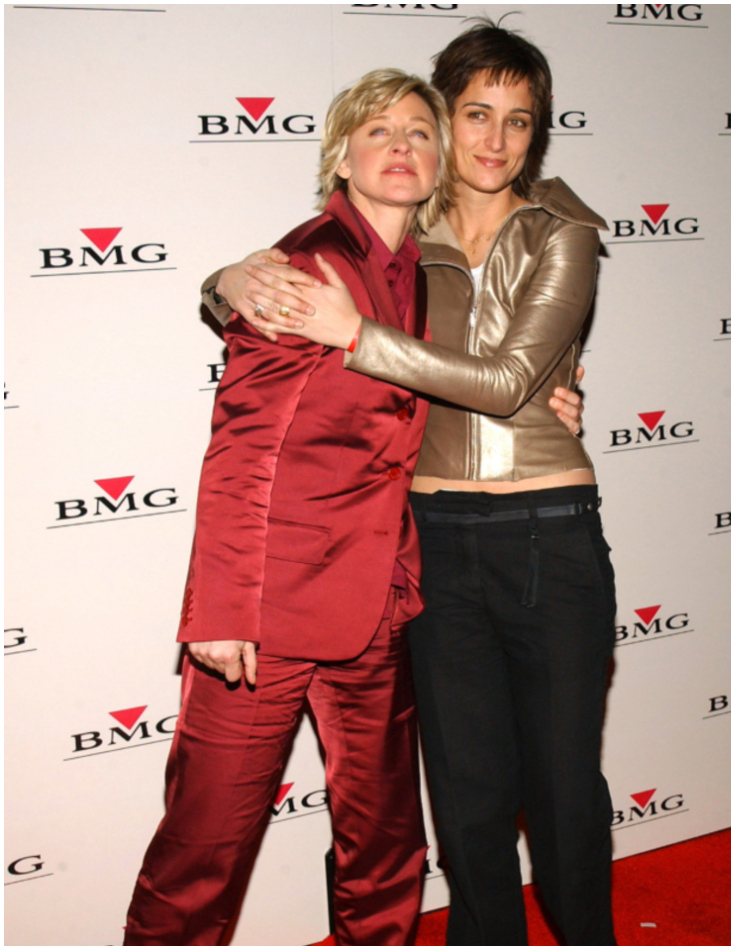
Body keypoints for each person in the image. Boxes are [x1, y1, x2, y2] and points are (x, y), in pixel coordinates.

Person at [210, 22, 617, 948]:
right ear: (442, 117)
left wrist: (357, 334)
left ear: (538, 133)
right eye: (475, 114)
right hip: (430, 539)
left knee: (561, 794)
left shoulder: (567, 234)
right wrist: (225, 279)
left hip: (549, 534)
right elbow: (283, 285)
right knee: (467, 801)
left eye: (519, 121)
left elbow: (512, 383)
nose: (494, 140)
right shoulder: (400, 231)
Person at [123, 69, 457, 947]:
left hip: (376, 607)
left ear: (440, 160)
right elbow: (241, 451)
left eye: (420, 132)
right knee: (203, 854)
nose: (400, 146)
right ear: (340, 155)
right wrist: (221, 611)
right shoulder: (303, 266)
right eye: (378, 130)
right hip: (262, 621)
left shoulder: (430, 273)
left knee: (387, 849)